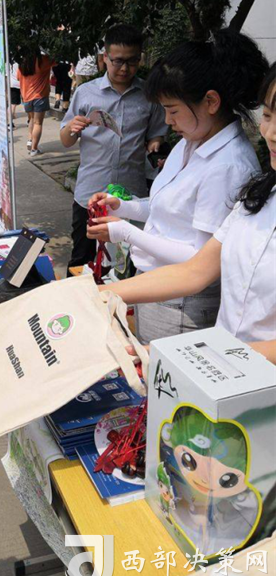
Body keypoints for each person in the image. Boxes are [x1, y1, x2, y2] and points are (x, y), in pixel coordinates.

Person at [87, 29, 268, 342]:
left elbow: (198, 262)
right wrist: (125, 207)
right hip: (156, 287)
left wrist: (126, 232)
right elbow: (167, 210)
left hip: (182, 305)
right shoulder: (191, 141)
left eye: (172, 110)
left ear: (211, 102)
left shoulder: (228, 166)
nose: (168, 121)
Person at [60, 23, 167, 273]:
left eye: (132, 61)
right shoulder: (85, 93)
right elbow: (66, 140)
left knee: (125, 266)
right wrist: (71, 128)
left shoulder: (149, 95)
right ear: (105, 58)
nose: (124, 68)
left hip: (132, 197)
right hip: (90, 194)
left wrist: (156, 143)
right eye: (117, 61)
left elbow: (156, 135)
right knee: (82, 262)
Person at [17, 49, 56, 156]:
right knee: (38, 123)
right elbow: (56, 59)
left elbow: (18, 77)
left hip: (26, 97)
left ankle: (30, 140)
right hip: (40, 96)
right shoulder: (42, 60)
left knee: (32, 119)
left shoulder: (22, 63)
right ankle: (34, 149)